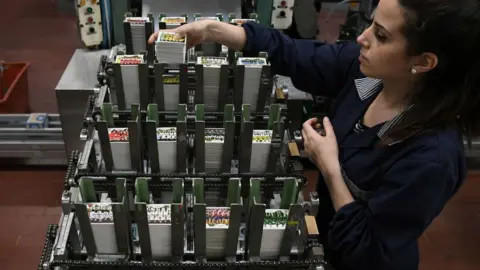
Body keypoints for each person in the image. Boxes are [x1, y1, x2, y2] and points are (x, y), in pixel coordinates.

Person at [149, 0, 480, 269]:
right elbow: (296, 55)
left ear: (423, 62)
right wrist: (213, 31)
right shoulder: (369, 77)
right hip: (326, 235)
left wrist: (330, 166)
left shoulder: (430, 157)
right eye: (370, 24)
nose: (362, 38)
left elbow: (369, 251)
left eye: (380, 35)